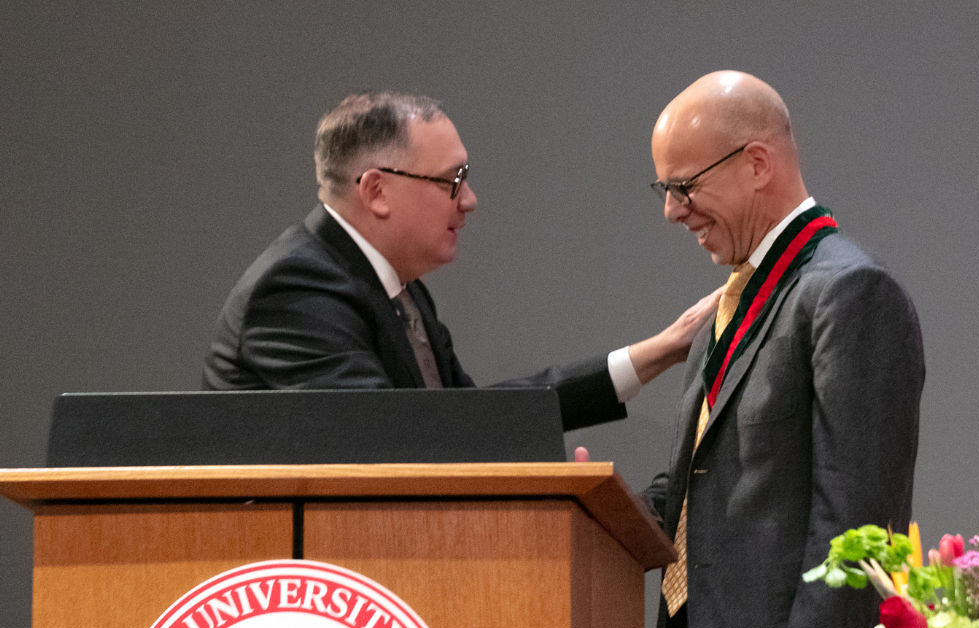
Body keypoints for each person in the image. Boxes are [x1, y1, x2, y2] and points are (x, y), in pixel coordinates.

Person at [642, 72, 924, 628]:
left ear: (756, 162)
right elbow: (702, 484)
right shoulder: (737, 302)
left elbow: (860, 506)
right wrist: (592, 509)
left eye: (684, 187)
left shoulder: (847, 292)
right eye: (666, 190)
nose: (673, 212)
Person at [203, 91, 718, 431]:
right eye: (452, 180)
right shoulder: (296, 288)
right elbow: (392, 440)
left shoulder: (401, 290)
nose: (468, 199)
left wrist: (661, 351)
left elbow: (469, 421)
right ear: (377, 191)